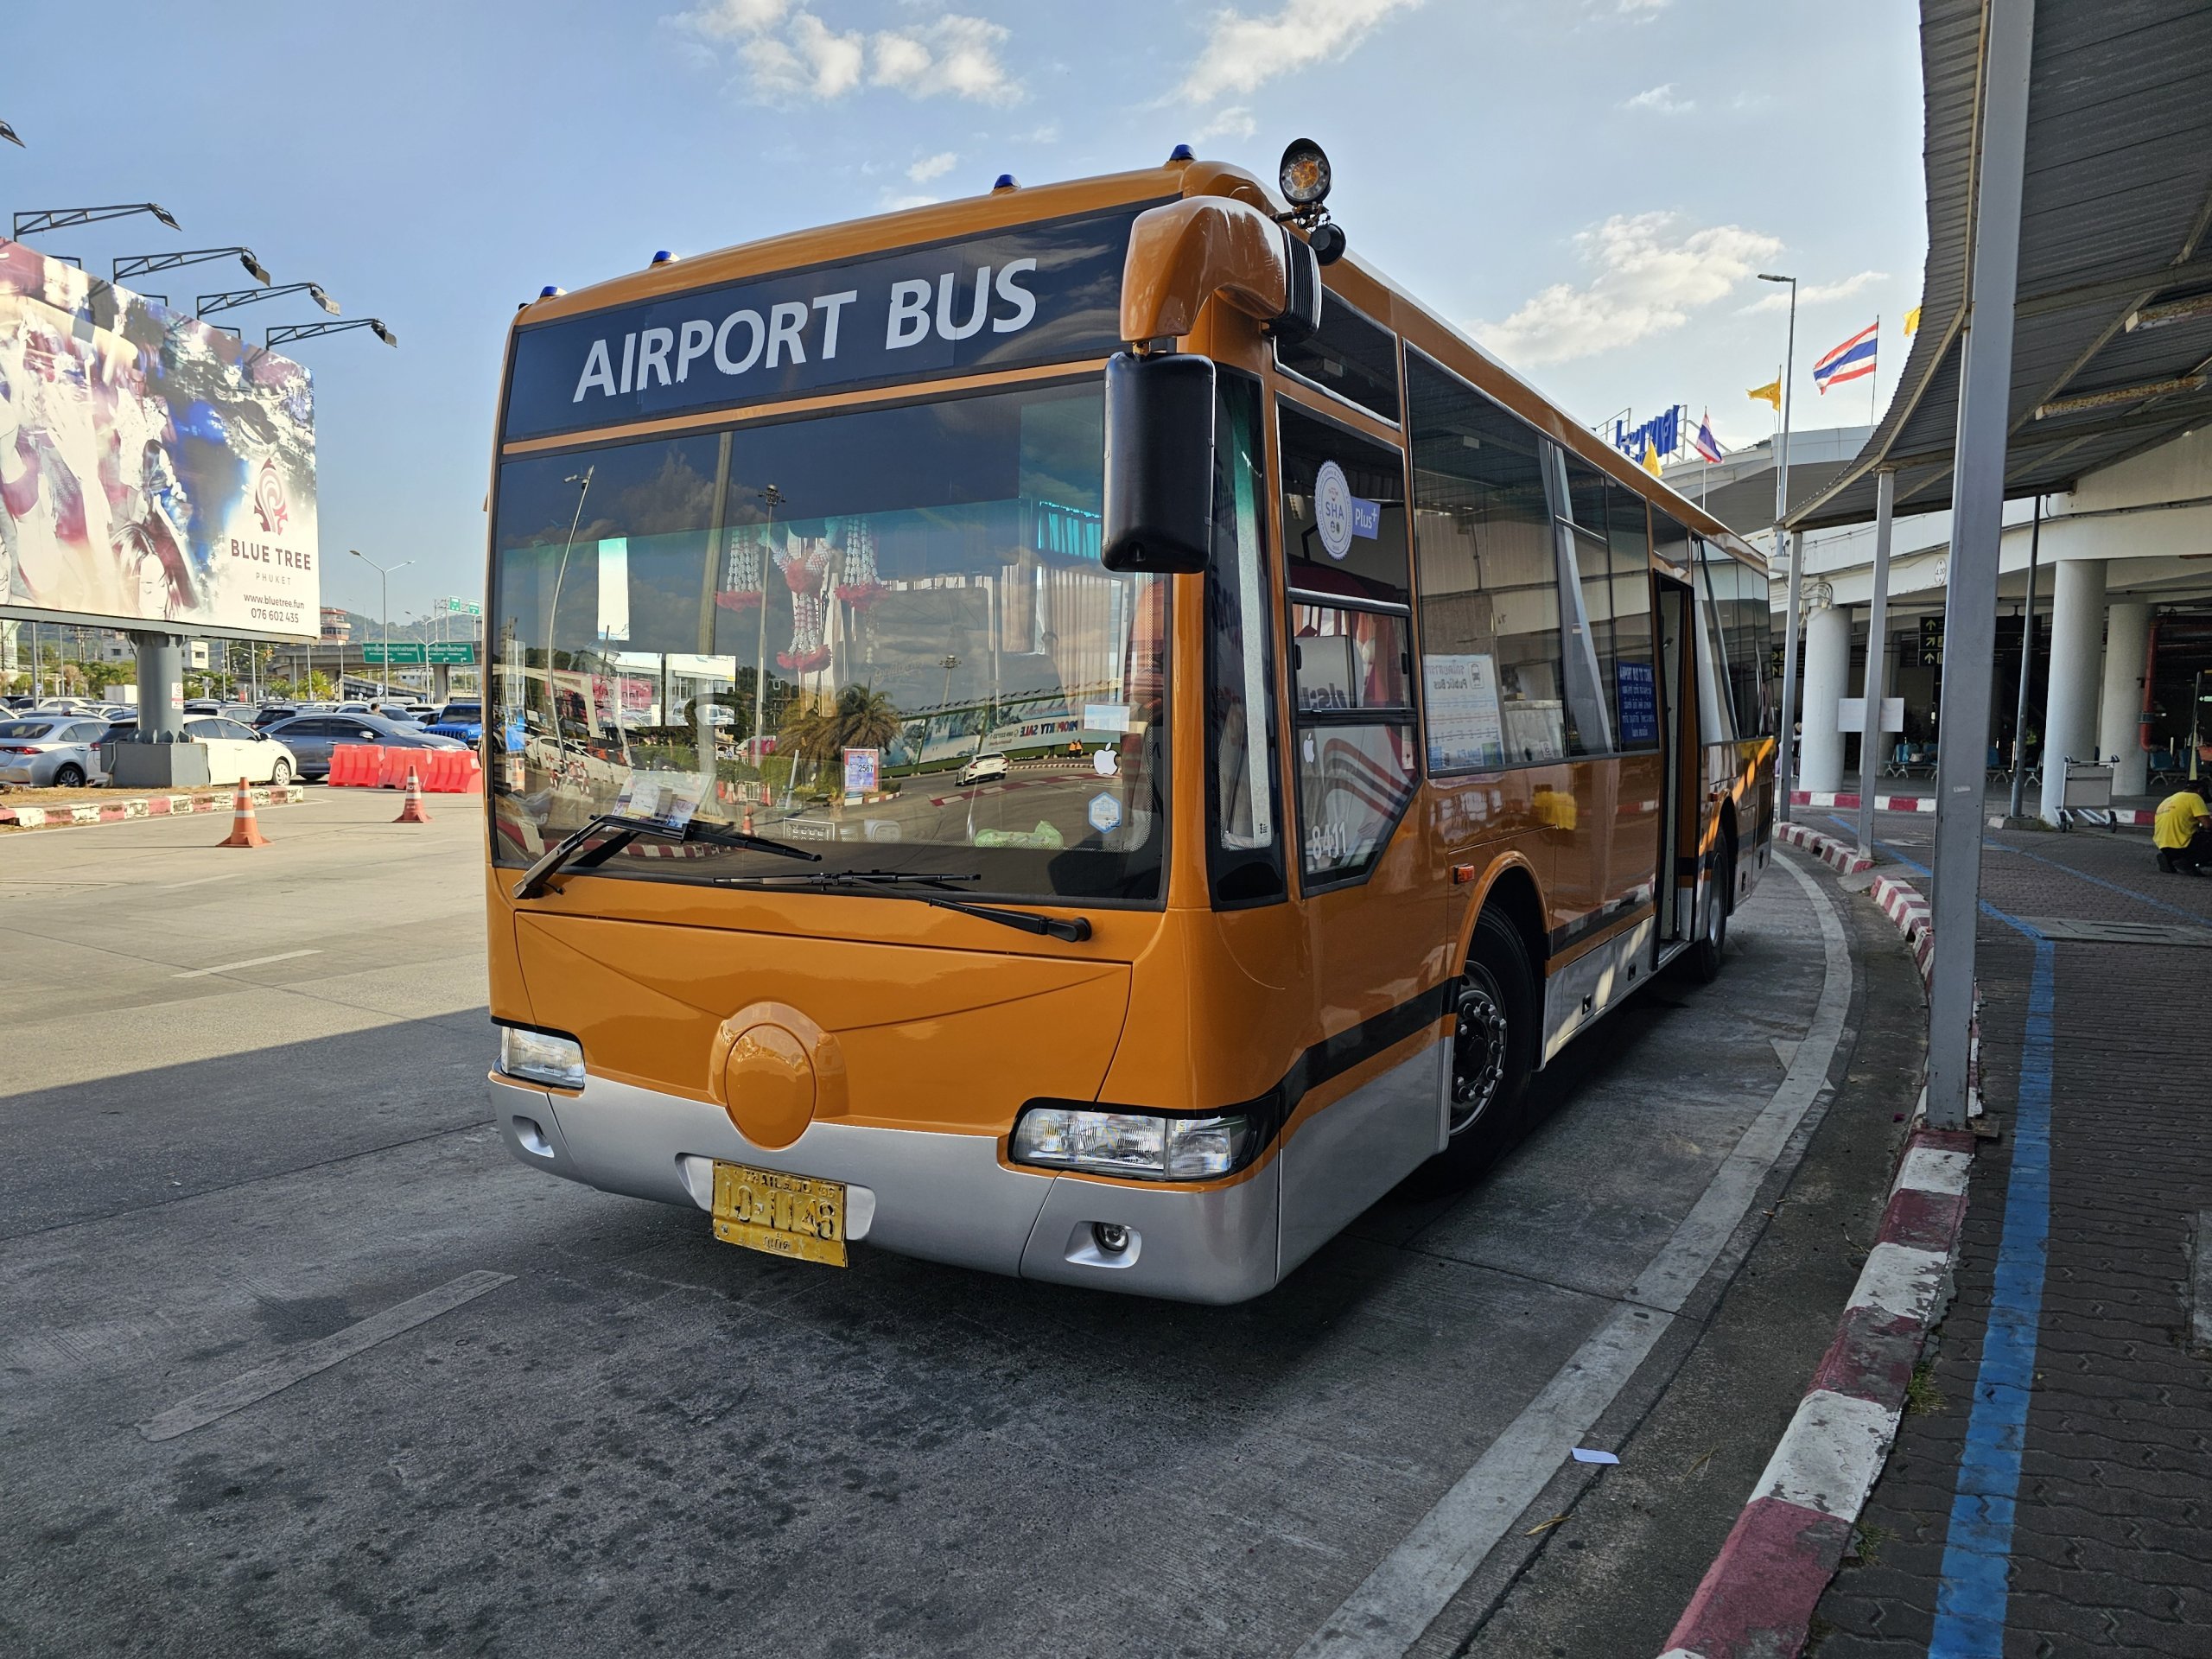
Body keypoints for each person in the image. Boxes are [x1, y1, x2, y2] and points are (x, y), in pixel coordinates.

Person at [2152, 779, 2211, 875]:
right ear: (2200, 790)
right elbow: (2208, 825)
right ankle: (2188, 861)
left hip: (2163, 846)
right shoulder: (2195, 797)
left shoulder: (2169, 799)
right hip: (2183, 847)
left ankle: (2169, 858)